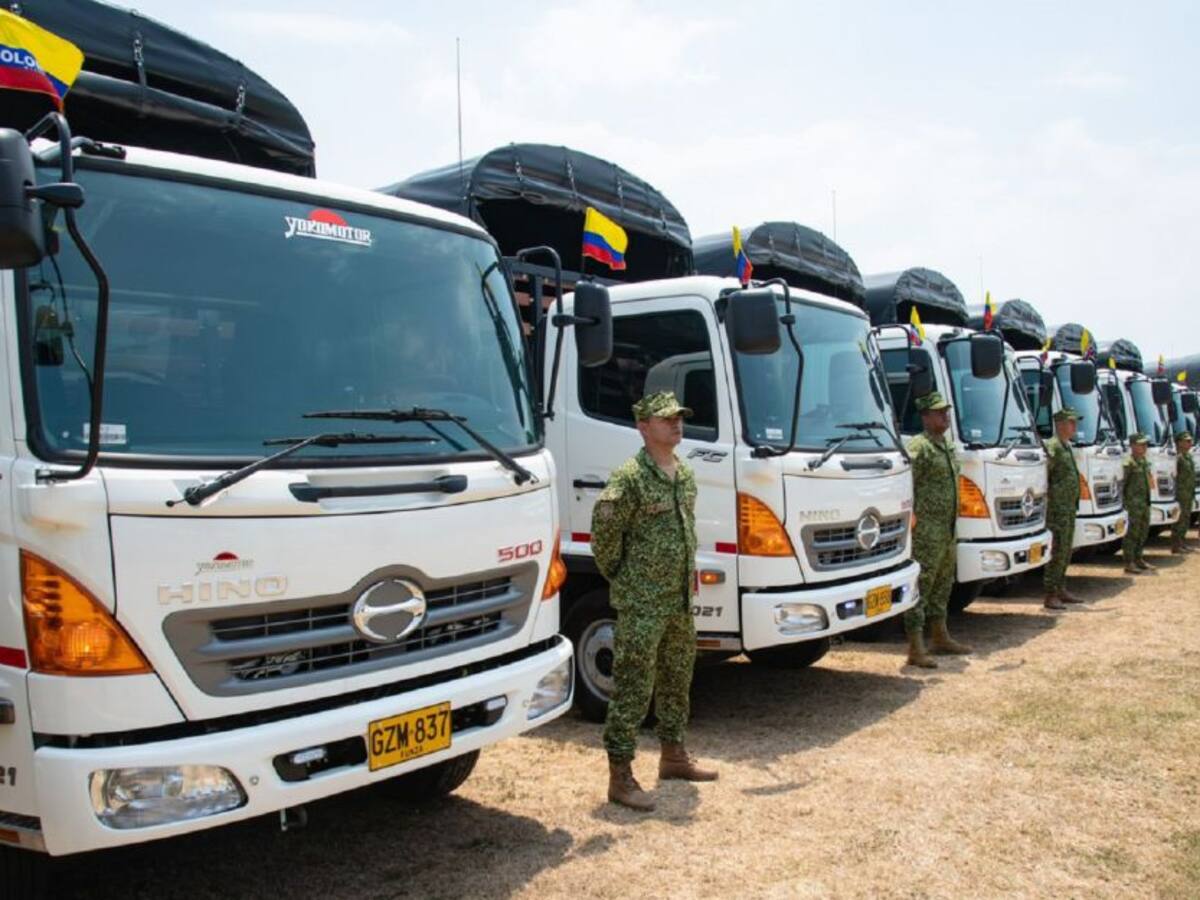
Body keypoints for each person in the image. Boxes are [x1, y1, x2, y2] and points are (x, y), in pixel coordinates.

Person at [591, 390, 717, 812]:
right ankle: (620, 776)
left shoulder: (684, 474)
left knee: (678, 676)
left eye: (679, 417)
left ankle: (673, 755)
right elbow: (604, 542)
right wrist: (629, 581)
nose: (676, 424)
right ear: (643, 427)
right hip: (642, 602)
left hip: (678, 599)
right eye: (666, 418)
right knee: (633, 685)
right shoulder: (629, 479)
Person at [904, 391, 971, 668]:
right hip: (926, 530)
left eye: (946, 411)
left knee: (943, 584)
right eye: (939, 412)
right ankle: (916, 646)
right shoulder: (919, 448)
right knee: (922, 586)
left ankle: (940, 636)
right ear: (925, 416)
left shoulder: (947, 446)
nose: (945, 416)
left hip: (948, 528)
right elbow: (906, 487)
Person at [1043, 408, 1085, 609]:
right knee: (1057, 550)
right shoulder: (1053, 447)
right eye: (1071, 422)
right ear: (1060, 424)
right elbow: (1044, 477)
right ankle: (1050, 594)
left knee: (1066, 550)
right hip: (1056, 509)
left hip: (1068, 508)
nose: (1075, 427)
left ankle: (1061, 588)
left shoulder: (1066, 446)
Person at [1122, 433, 1153, 574]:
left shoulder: (1144, 461)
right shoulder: (1129, 463)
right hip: (1133, 504)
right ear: (1133, 445)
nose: (1144, 447)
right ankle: (1129, 562)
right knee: (1132, 534)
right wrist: (1124, 504)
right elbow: (1123, 485)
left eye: (1145, 444)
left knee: (1143, 532)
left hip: (1144, 503)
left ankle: (1139, 558)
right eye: (1141, 444)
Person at [1171, 430, 1195, 553]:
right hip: (1180, 493)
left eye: (1190, 441)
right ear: (1179, 443)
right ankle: (1176, 544)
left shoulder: (1188, 457)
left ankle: (1182, 542)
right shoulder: (1178, 458)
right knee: (1179, 519)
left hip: (1188, 492)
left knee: (1186, 518)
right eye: (1187, 441)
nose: (1190, 443)